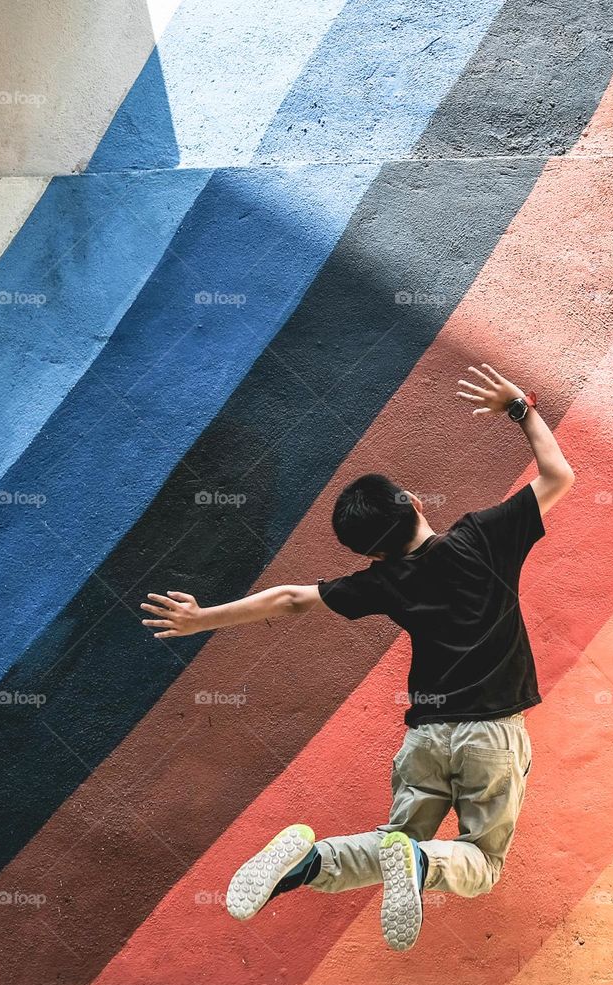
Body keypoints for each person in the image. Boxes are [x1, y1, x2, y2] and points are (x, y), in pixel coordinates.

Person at [140, 365, 575, 951]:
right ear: (416, 503)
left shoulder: (384, 582)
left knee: (394, 839)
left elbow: (290, 598)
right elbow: (558, 474)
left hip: (424, 737)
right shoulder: (481, 538)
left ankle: (304, 865)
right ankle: (420, 868)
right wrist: (519, 406)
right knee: (480, 859)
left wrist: (201, 618)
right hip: (490, 734)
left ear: (369, 553)